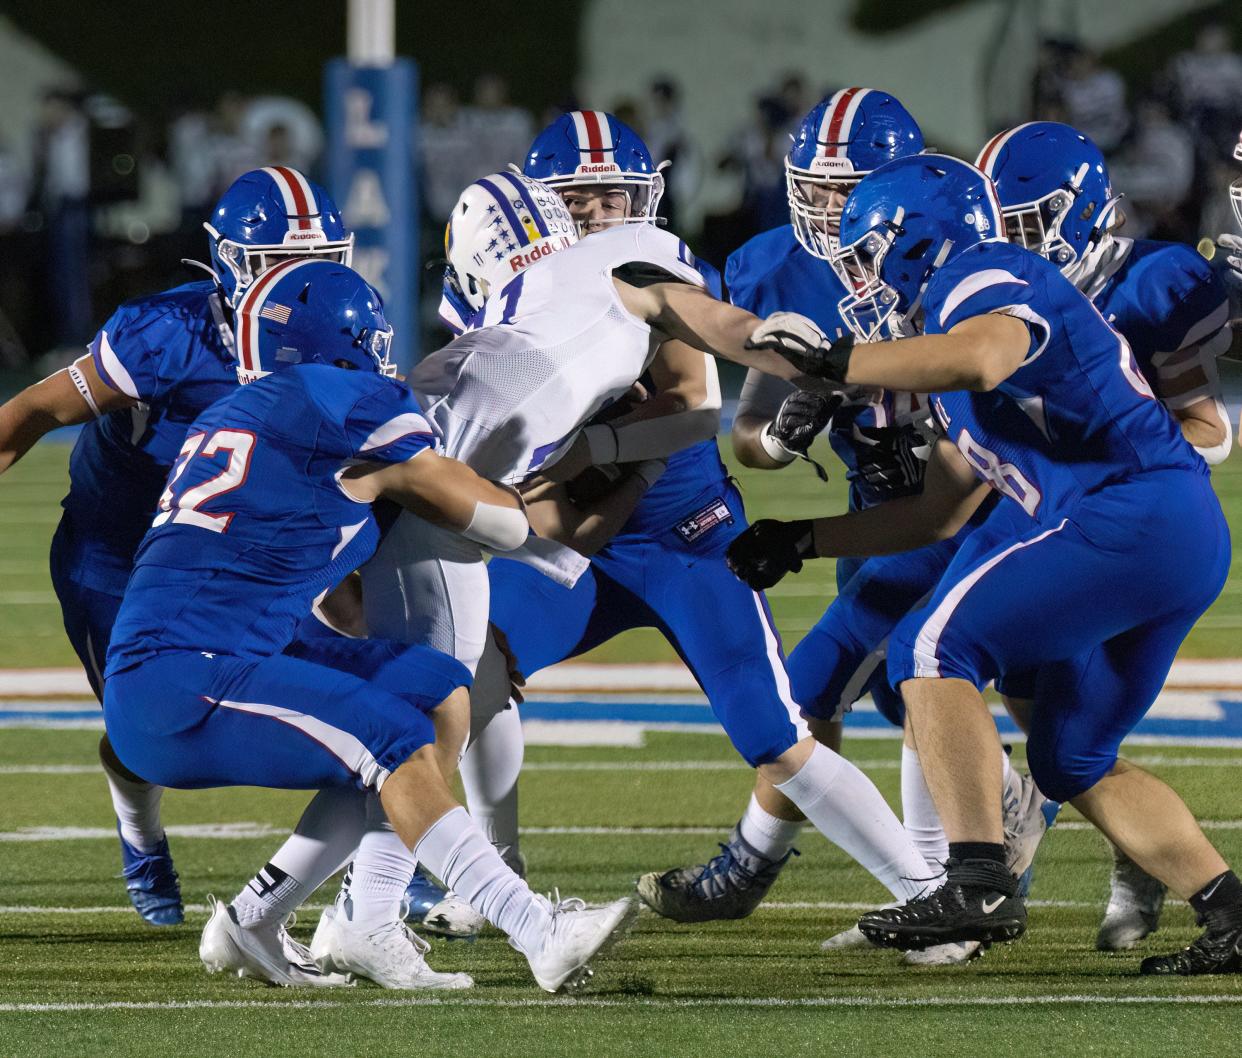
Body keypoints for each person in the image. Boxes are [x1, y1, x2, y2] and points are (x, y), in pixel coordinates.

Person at [411, 112, 941, 947]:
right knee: (474, 663)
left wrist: (593, 448)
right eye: (578, 200)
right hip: (575, 540)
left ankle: (927, 890)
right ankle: (493, 876)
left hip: (683, 532)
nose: (596, 214)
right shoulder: (501, 279)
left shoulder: (648, 262)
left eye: (612, 195)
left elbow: (693, 413)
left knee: (773, 735)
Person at [730, 153, 1240, 975]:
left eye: (866, 256)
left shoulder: (985, 272)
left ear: (911, 243)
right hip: (1164, 534)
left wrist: (840, 363)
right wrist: (804, 538)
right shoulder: (953, 338)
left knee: (929, 650)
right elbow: (938, 511)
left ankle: (976, 877)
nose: (860, 280)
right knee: (1070, 759)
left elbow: (986, 355)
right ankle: (1231, 912)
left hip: (1132, 512)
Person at [100, 259, 639, 993]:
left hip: (213, 649)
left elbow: (333, 601)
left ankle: (266, 916)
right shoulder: (343, 402)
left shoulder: (236, 414)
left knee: (438, 691)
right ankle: (537, 930)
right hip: (187, 675)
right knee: (392, 739)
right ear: (351, 343)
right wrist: (593, 460)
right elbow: (505, 524)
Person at [640, 90, 1046, 968]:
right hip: (879, 510)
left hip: (971, 501)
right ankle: (990, 829)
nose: (827, 210)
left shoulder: (951, 259)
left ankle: (785, 871)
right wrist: (784, 433)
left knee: (874, 680)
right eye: (813, 189)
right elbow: (751, 436)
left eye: (847, 189)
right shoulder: (777, 267)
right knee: (907, 690)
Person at [0, 166, 354, 928]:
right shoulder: (166, 334)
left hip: (240, 558)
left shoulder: (335, 336)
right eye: (277, 265)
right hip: (120, 549)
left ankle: (389, 876)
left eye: (317, 260)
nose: (300, 283)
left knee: (364, 703)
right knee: (140, 734)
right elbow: (32, 410)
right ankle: (141, 834)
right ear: (229, 264)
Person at [978, 120, 1233, 951]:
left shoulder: (1152, 284)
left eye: (1025, 224)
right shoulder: (999, 294)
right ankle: (1146, 856)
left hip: (1126, 530)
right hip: (1049, 524)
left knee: (1065, 743)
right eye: (998, 227)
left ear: (1083, 213)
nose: (1010, 246)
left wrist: (1114, 453)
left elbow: (1210, 431)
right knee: (1039, 707)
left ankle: (1138, 862)